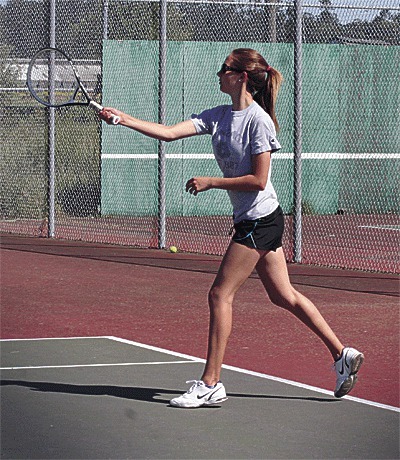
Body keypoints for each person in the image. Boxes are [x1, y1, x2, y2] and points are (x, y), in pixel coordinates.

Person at [99, 48, 364, 408]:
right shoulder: (221, 116)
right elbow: (168, 133)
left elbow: (258, 180)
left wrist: (212, 182)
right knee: (283, 296)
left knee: (219, 294)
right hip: (256, 219)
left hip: (260, 219)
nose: (218, 74)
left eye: (223, 69)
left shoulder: (259, 121)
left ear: (240, 76)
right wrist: (123, 119)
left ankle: (210, 383)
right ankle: (342, 354)